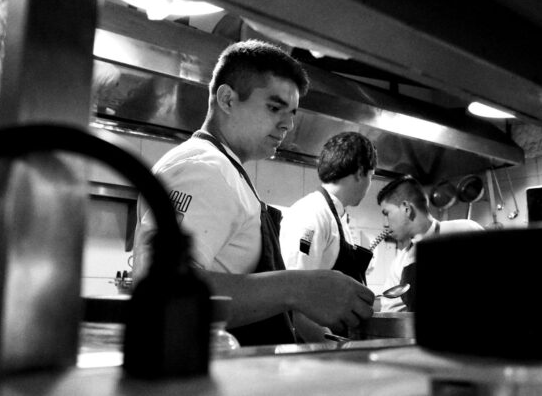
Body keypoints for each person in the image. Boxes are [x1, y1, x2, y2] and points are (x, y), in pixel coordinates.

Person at [133, 40, 374, 346]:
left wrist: (321, 339)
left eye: (292, 113)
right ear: (227, 100)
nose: (287, 124)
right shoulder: (207, 169)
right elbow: (164, 292)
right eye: (274, 107)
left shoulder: (225, 169)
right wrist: (297, 288)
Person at [280, 131, 377, 284]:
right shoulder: (311, 213)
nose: (370, 184)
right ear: (360, 172)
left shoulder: (336, 215)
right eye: (371, 176)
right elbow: (295, 284)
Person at [377, 175, 483, 312]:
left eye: (387, 213)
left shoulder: (465, 231)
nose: (385, 224)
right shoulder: (399, 263)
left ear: (406, 209)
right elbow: (392, 313)